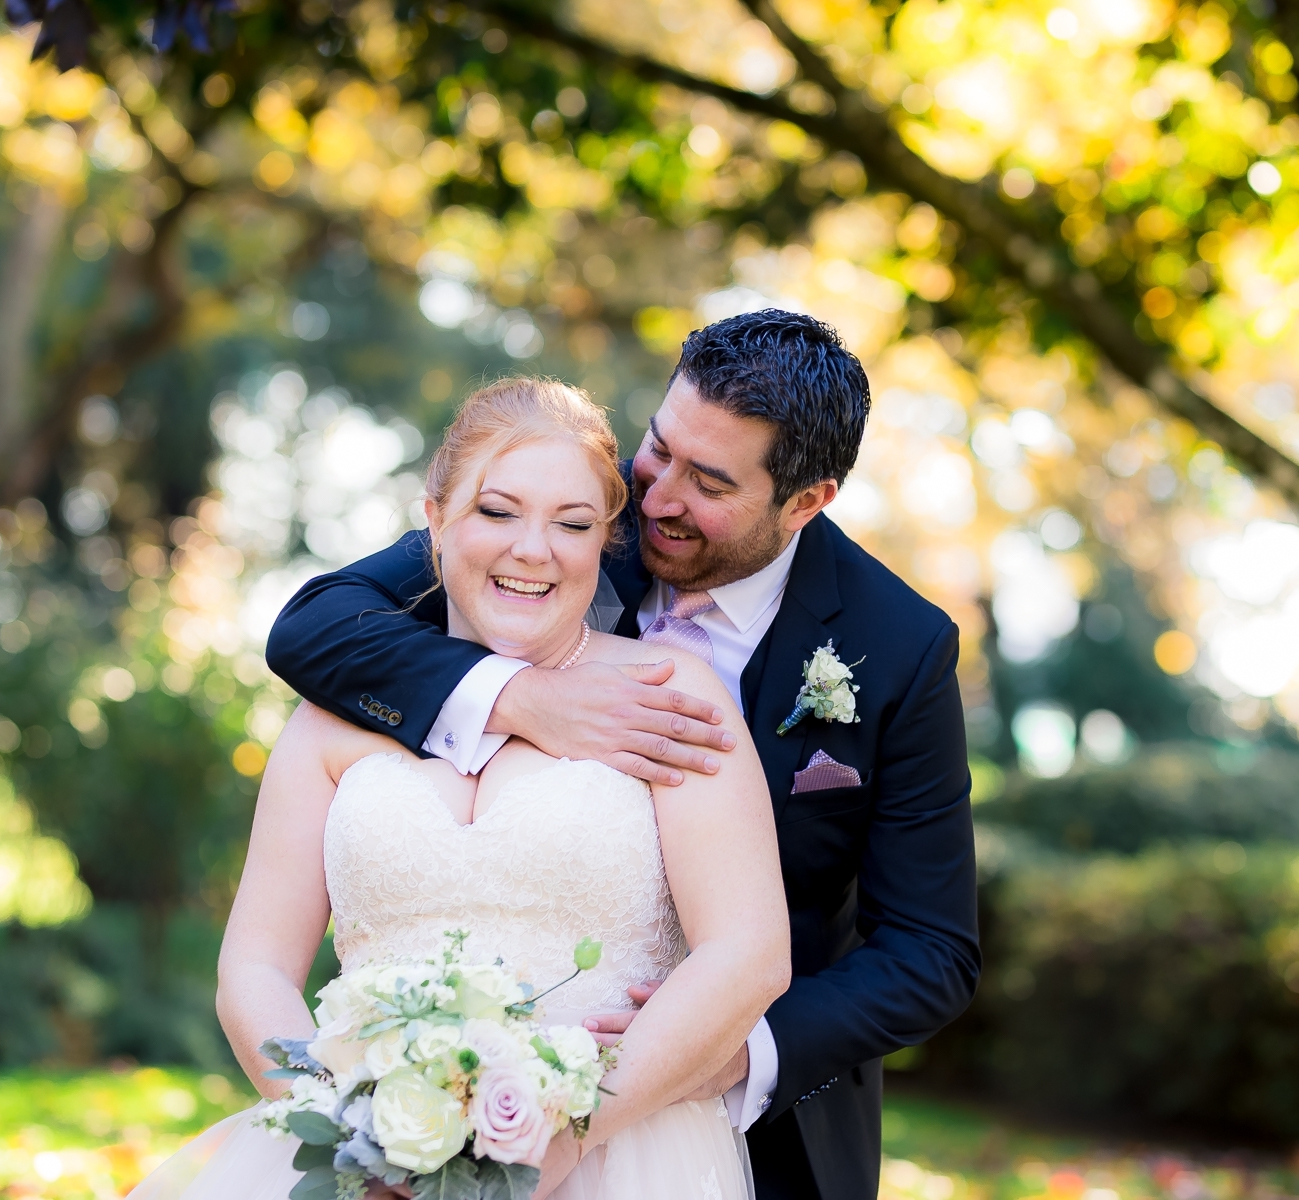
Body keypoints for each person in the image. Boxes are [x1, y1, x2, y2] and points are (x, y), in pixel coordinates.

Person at [267, 310, 981, 1200]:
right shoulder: (567, 524)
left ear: (805, 502)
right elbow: (313, 626)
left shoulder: (899, 648)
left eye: (708, 482)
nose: (657, 496)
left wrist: (737, 1052)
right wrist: (521, 698)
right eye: (660, 447)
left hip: (759, 1126)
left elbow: (930, 950)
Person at [132, 378, 792, 1200]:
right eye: (497, 511)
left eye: (574, 524)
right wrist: (346, 1136)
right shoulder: (330, 719)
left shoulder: (670, 696)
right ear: (436, 520)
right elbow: (256, 967)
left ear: (606, 541)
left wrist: (569, 1134)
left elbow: (749, 954)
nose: (533, 548)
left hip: (617, 1161)